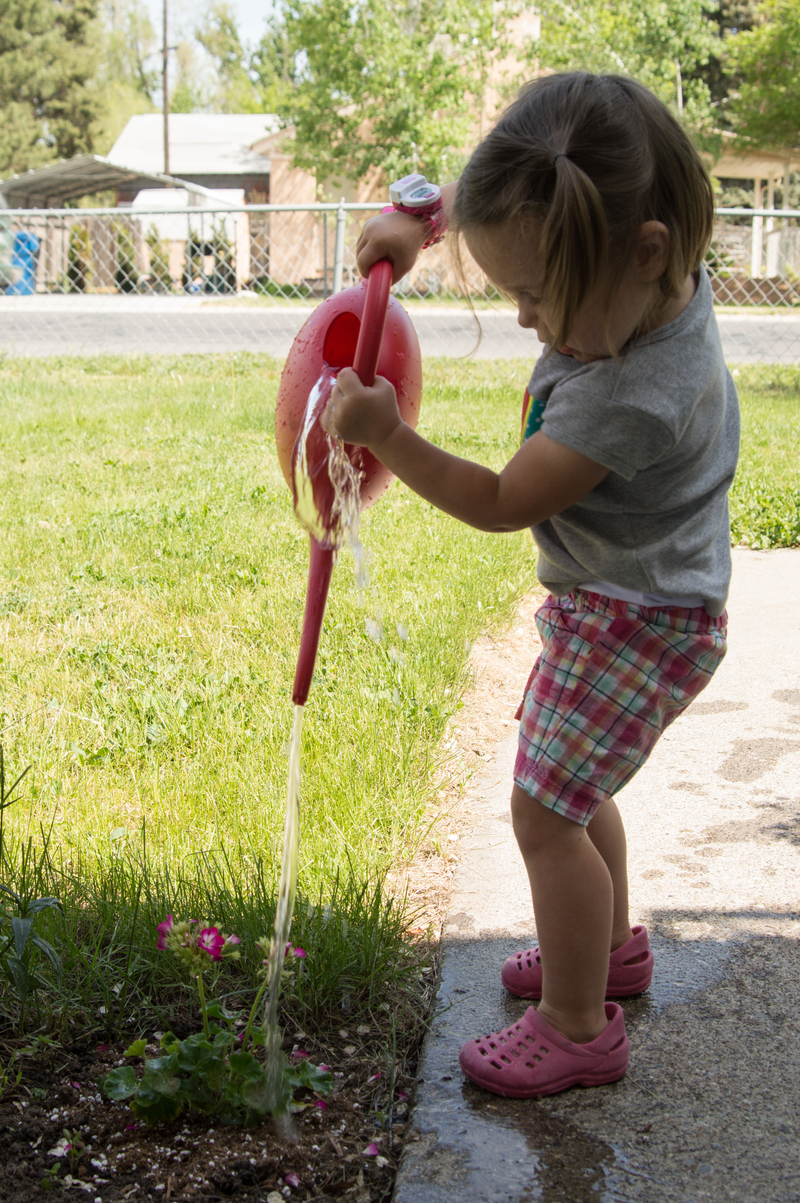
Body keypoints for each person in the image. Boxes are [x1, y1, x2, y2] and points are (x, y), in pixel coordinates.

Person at [323, 72, 739, 1099]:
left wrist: (386, 436)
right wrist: (413, 224)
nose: (522, 321)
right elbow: (473, 198)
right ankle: (602, 955)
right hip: (626, 599)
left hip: (636, 623)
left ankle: (575, 1025)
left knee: (543, 813)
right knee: (571, 783)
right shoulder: (650, 276)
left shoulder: (630, 398)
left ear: (642, 254)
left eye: (537, 297)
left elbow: (504, 498)